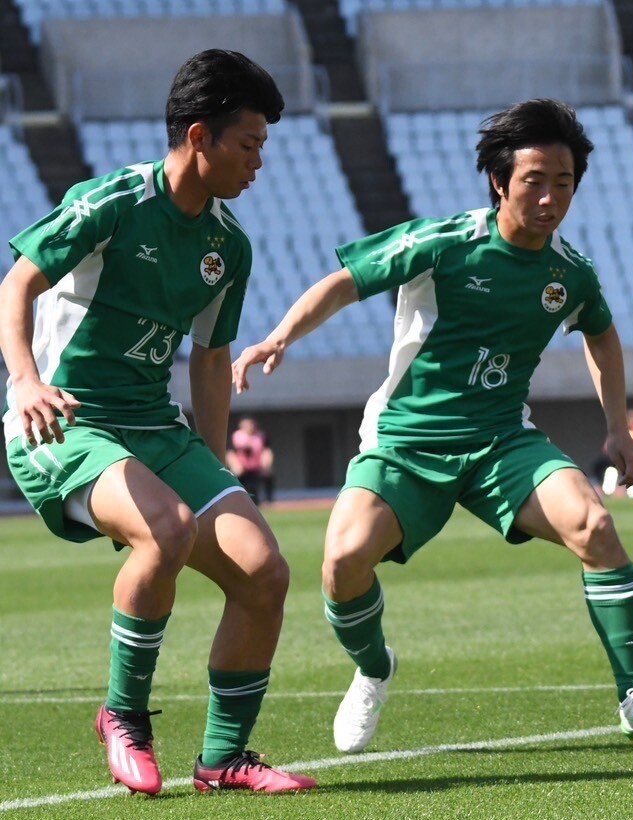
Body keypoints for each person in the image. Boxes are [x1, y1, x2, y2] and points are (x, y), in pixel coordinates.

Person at [232, 98, 633, 754]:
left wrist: (617, 425)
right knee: (341, 561)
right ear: (500, 182)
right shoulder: (446, 243)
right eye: (534, 181)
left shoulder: (569, 271)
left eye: (563, 184)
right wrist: (278, 338)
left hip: (502, 442)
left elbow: (602, 333)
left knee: (593, 524)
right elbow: (345, 282)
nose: (549, 198)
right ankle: (372, 669)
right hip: (406, 442)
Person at [0, 50, 314, 794]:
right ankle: (123, 716)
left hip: (154, 428)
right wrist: (26, 383)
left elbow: (209, 361)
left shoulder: (226, 246)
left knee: (264, 571)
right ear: (199, 136)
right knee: (168, 528)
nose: (259, 162)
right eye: (249, 144)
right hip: (63, 422)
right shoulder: (113, 202)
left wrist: (216, 475)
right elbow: (16, 282)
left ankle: (225, 758)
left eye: (264, 146)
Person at [595, 407, 633, 498]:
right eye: (632, 419)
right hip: (616, 460)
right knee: (610, 470)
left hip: (631, 461)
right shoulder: (618, 431)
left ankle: (631, 492)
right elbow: (606, 447)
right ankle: (608, 491)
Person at [226, 416, 274, 504]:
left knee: (265, 478)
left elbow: (267, 451)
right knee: (239, 485)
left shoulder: (261, 436)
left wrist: (266, 464)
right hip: (242, 467)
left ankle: (268, 501)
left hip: (256, 467)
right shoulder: (236, 436)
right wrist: (236, 465)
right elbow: (230, 452)